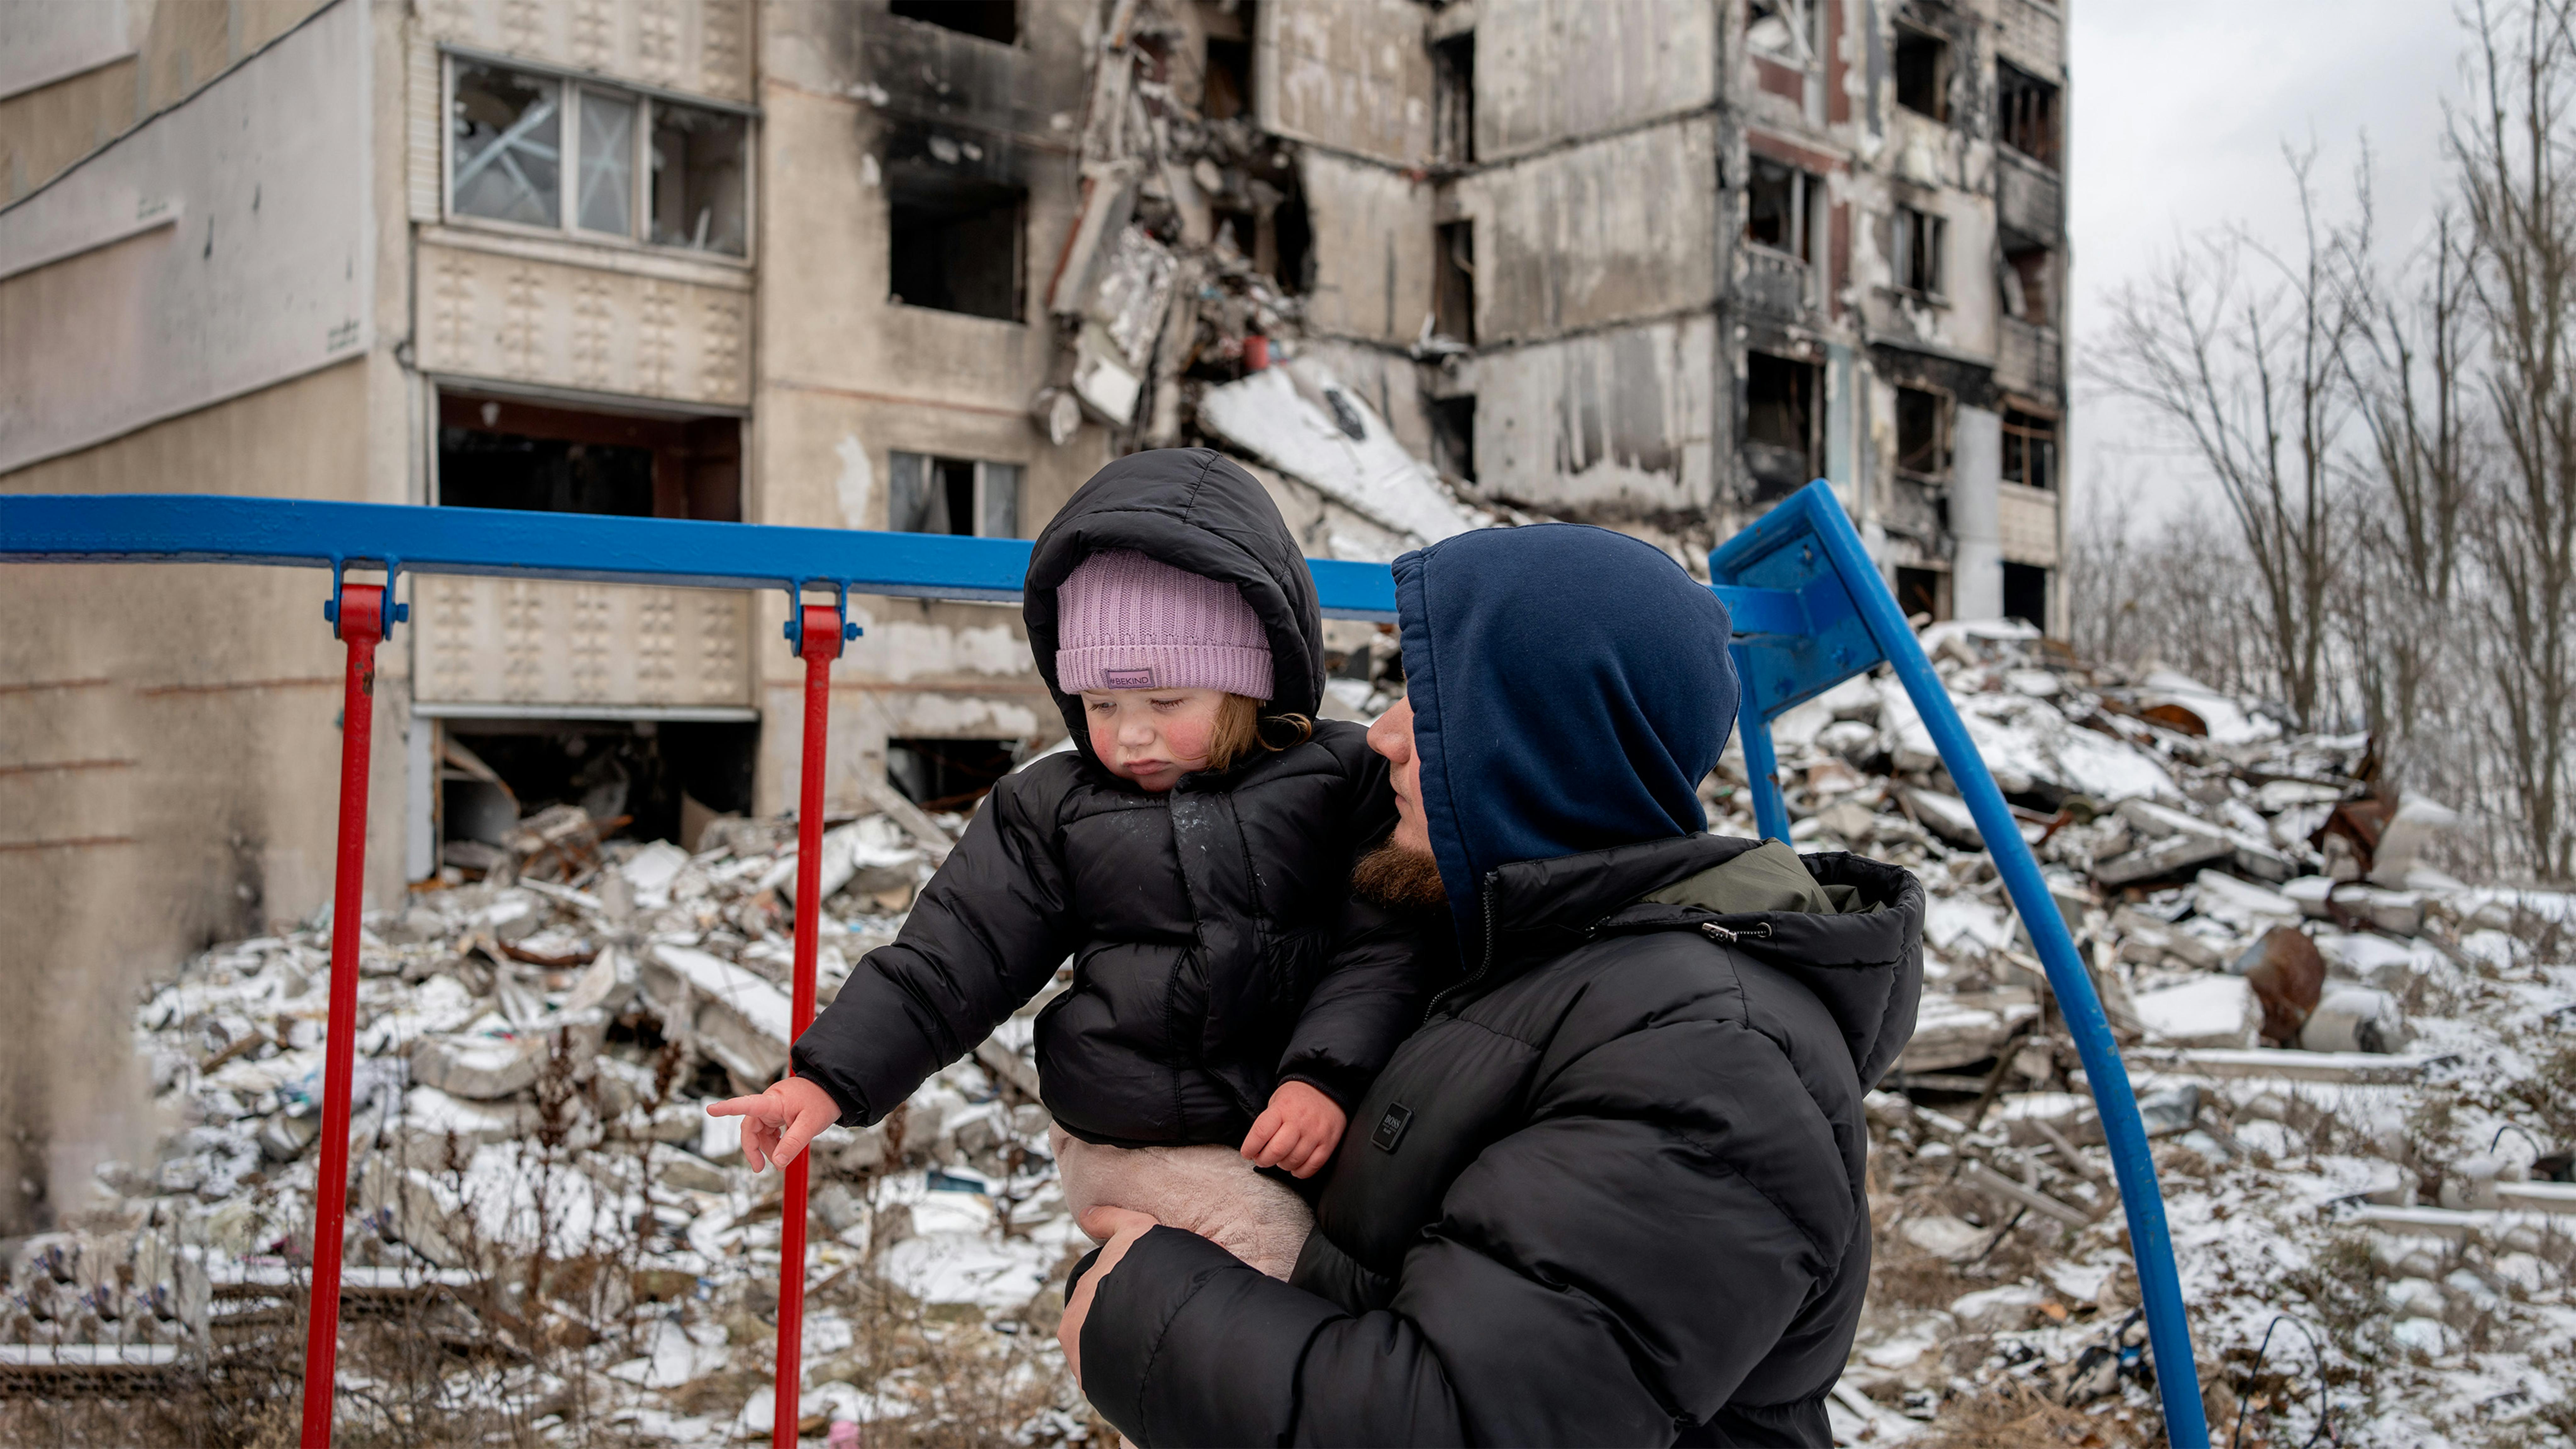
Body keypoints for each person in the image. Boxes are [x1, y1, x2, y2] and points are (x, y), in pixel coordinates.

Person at [1057, 523, 1925, 1447]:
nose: (1383, 734)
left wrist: (1144, 1309)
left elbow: (1462, 1423)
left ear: (1549, 746)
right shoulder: (1529, 970)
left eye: (1430, 705)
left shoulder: (1707, 1059)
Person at [710, 448, 1428, 1278]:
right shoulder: (1055, 807)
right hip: (1140, 1132)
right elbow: (954, 957)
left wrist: (1323, 1078)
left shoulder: (1342, 782)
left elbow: (1385, 945)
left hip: (1295, 1115)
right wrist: (826, 1080)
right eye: (1099, 704)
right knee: (1283, 1274)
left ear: (1253, 679)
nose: (1127, 734)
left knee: (1389, 1259)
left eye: (1166, 702)